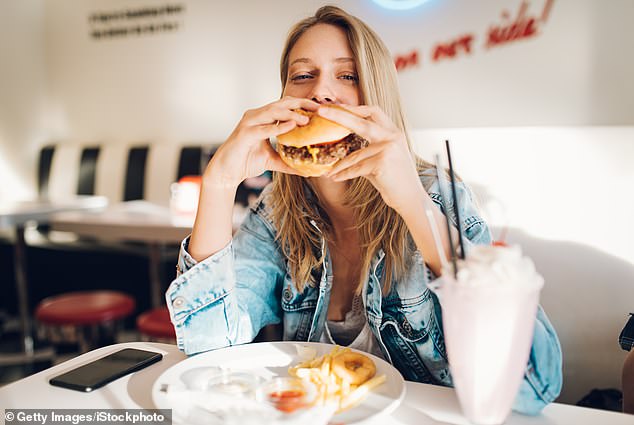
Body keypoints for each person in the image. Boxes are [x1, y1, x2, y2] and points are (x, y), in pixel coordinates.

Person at [166, 5, 562, 415]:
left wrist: (412, 203)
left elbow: (534, 386)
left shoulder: (437, 196)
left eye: (348, 75)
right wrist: (218, 184)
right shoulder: (275, 214)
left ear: (376, 96)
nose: (321, 92)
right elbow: (206, 352)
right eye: (302, 76)